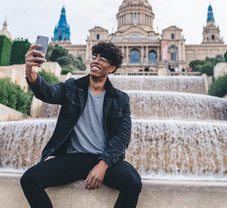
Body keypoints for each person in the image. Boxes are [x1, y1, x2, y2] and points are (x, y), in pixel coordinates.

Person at [20, 41, 142, 208]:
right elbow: (49, 93)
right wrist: (30, 72)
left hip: (105, 159)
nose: (96, 61)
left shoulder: (120, 99)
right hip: (74, 157)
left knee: (133, 183)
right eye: (94, 57)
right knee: (29, 180)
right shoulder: (72, 87)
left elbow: (122, 137)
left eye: (103, 59)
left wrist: (103, 164)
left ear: (112, 68)